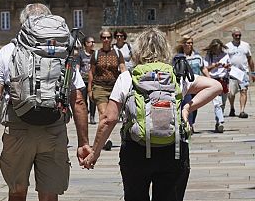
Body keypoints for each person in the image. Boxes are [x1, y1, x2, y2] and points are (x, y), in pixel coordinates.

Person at [82, 28, 222, 201]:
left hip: (136, 150)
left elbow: (108, 119)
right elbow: (215, 86)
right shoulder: (176, 76)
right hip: (173, 150)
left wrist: (94, 153)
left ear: (138, 50)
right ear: (165, 49)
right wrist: (187, 108)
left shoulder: (128, 77)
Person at [0, 3, 91, 201]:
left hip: (18, 128)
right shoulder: (62, 52)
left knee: (17, 190)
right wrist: (83, 142)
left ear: (23, 23)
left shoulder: (8, 51)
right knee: (49, 193)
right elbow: (79, 101)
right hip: (53, 128)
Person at [88, 28, 126, 151]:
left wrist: (127, 82)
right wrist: (90, 89)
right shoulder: (96, 54)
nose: (106, 40)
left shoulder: (117, 53)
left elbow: (123, 68)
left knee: (111, 118)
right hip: (99, 87)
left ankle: (102, 139)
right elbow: (91, 72)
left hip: (114, 87)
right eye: (104, 37)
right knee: (103, 115)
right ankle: (102, 142)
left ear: (111, 39)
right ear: (101, 39)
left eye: (108, 37)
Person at [174, 35, 209, 132]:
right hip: (185, 85)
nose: (190, 45)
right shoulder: (179, 57)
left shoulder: (197, 56)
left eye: (191, 43)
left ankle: (191, 122)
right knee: (187, 103)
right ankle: (188, 123)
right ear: (183, 44)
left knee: (195, 105)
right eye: (188, 43)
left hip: (197, 85)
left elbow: (203, 68)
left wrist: (209, 78)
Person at [225, 27, 255, 118]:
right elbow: (224, 59)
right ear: (232, 36)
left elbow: (250, 59)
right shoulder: (227, 46)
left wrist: (253, 72)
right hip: (232, 73)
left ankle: (242, 111)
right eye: (236, 35)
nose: (238, 37)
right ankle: (232, 108)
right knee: (231, 93)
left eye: (239, 35)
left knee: (244, 90)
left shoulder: (245, 45)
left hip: (243, 73)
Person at [203, 39, 231, 133]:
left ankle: (218, 122)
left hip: (224, 80)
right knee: (217, 103)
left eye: (218, 49)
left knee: (222, 103)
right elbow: (205, 68)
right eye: (215, 49)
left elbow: (230, 67)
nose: (217, 51)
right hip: (214, 80)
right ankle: (221, 121)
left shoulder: (225, 55)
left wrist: (227, 66)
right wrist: (214, 65)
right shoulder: (208, 56)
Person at [76, 36, 97, 124]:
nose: (92, 44)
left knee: (93, 99)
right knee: (83, 100)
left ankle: (92, 117)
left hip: (93, 80)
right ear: (86, 44)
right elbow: (78, 66)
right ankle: (85, 114)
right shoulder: (80, 54)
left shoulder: (95, 53)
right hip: (83, 80)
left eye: (93, 42)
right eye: (90, 42)